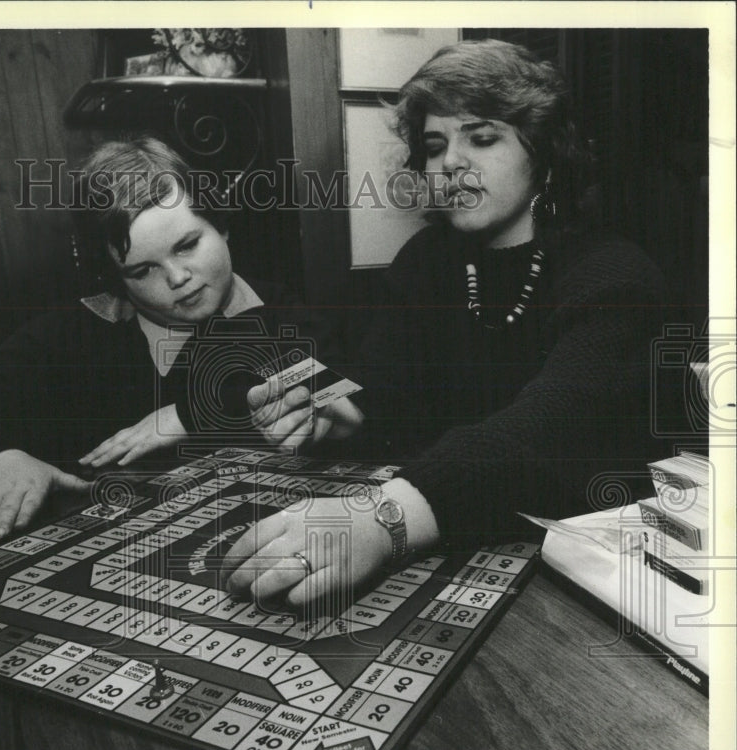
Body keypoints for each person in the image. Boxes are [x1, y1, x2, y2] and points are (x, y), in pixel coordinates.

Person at [223, 39, 667, 609]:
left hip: (585, 578)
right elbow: (389, 386)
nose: (450, 162)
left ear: (545, 153)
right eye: (435, 145)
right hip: (462, 547)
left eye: (483, 137)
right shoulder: (425, 260)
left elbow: (549, 429)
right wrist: (341, 412)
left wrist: (386, 518)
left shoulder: (616, 275)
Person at [0, 137, 334, 579]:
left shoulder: (282, 312)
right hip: (114, 578)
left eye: (187, 245)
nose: (178, 277)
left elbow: (325, 381)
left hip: (259, 562)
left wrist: (193, 414)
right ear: (116, 279)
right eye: (143, 270)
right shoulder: (68, 333)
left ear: (221, 226)